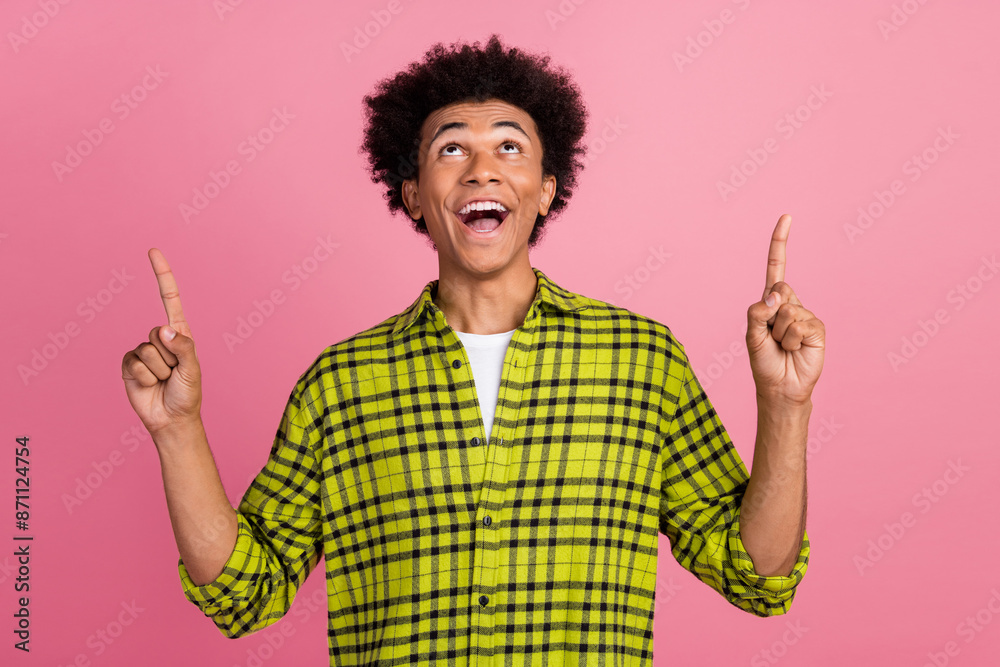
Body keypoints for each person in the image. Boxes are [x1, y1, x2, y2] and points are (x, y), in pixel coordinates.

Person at [121, 34, 825, 665]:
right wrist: (177, 430)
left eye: (509, 147)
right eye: (451, 147)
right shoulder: (340, 384)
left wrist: (785, 403)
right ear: (415, 197)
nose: (481, 168)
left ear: (546, 190)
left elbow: (756, 575)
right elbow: (247, 594)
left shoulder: (642, 362)